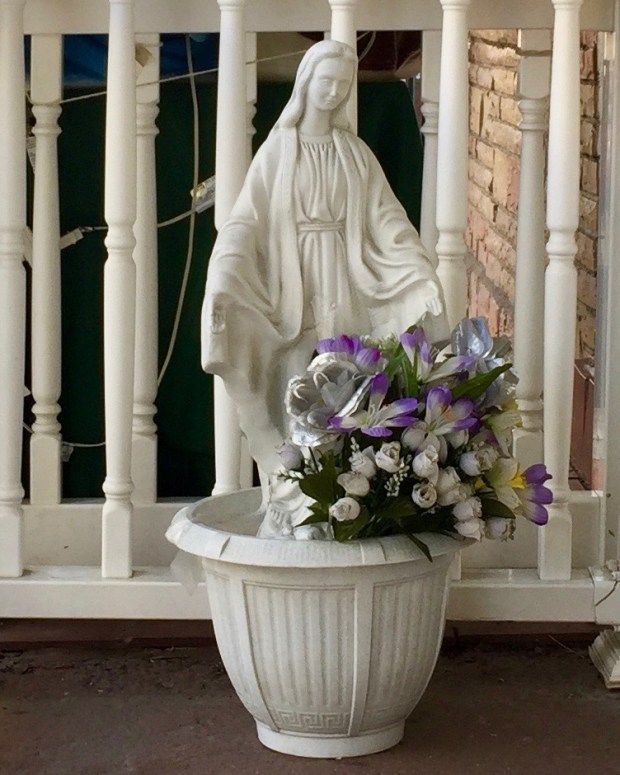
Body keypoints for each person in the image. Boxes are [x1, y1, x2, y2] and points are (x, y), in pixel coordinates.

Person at [201, 40, 447, 529]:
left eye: (342, 84)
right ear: (305, 83)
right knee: (295, 378)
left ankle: (347, 492)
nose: (333, 93)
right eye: (325, 82)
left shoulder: (353, 153)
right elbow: (246, 220)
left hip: (345, 273)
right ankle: (295, 491)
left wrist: (416, 266)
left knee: (351, 382)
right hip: (295, 283)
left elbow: (386, 217)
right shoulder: (277, 153)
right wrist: (226, 269)